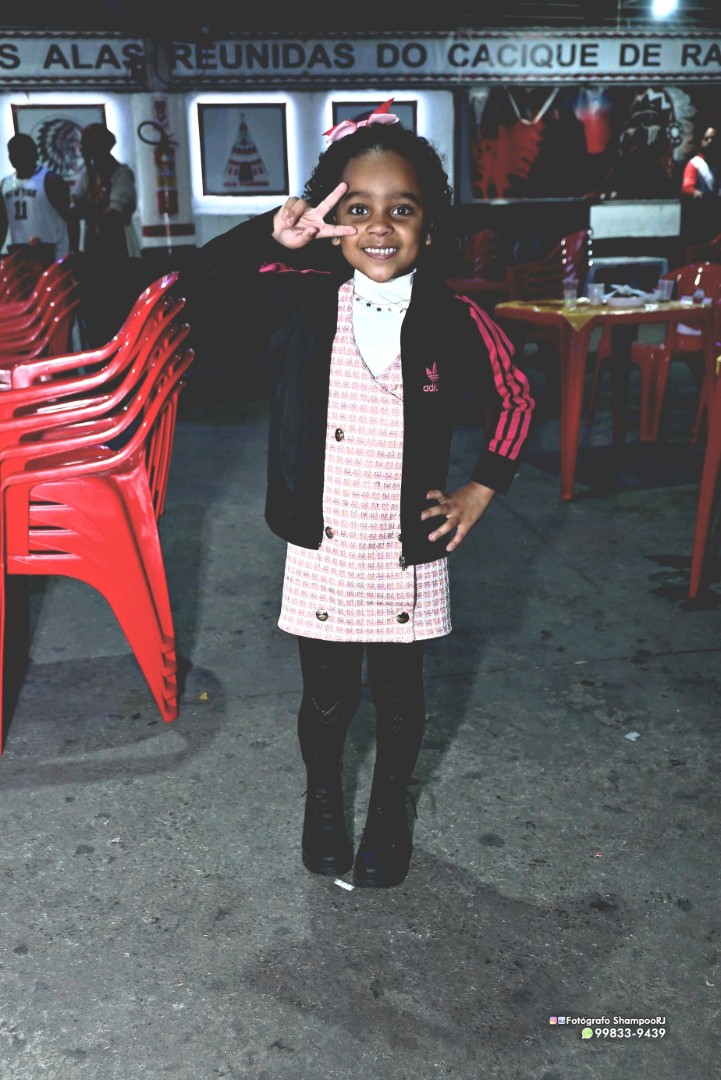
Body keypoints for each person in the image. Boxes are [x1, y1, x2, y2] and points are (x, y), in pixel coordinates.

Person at [191, 101, 534, 889]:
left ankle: (387, 810)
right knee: (326, 696)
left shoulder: (454, 315)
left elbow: (517, 396)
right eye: (356, 209)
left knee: (401, 695)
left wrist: (480, 489)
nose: (379, 226)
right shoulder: (297, 295)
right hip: (323, 541)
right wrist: (269, 235)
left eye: (400, 210)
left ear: (429, 225)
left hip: (406, 546)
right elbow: (194, 289)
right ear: (330, 221)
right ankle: (322, 797)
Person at [71, 122, 141, 346]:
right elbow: (76, 204)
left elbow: (114, 214)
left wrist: (90, 210)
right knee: (97, 313)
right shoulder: (88, 174)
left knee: (120, 310)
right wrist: (93, 210)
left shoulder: (120, 174)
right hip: (94, 253)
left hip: (118, 252)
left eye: (87, 144)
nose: (82, 149)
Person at [0, 132, 76, 263]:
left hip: (50, 249)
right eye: (13, 153)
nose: (16, 157)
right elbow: (2, 222)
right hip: (20, 249)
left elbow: (71, 218)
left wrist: (73, 251)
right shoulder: (5, 184)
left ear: (34, 154)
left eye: (22, 153)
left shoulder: (51, 181)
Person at [681, 124, 721, 197]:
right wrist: (697, 193)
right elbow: (687, 188)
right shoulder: (694, 163)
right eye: (706, 138)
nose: (710, 141)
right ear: (701, 141)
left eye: (713, 138)